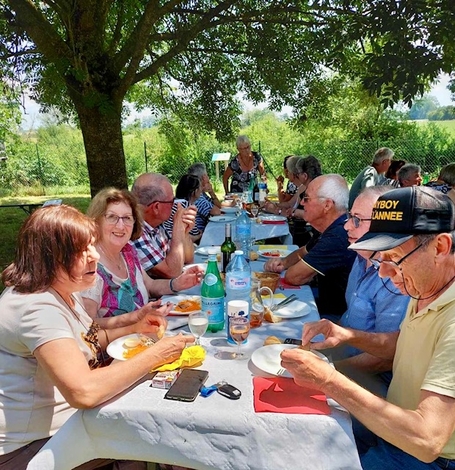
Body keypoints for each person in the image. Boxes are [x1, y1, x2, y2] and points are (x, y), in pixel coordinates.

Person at [0, 204, 194, 469]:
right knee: (166, 438)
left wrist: (134, 329)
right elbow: (84, 392)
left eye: (92, 245)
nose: (94, 256)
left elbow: (87, 339)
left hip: (69, 425)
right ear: (49, 256)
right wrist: (157, 354)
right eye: (82, 251)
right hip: (31, 449)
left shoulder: (61, 288)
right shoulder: (36, 306)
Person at [281, 186, 455, 469]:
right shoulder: (426, 287)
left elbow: (428, 440)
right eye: (381, 257)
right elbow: (406, 344)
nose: (384, 272)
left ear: (440, 247)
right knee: (294, 435)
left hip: (426, 457)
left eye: (394, 258)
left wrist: (328, 378)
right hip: (392, 421)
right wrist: (349, 335)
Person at [81, 188, 204, 328]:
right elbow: (88, 325)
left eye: (127, 218)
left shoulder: (127, 252)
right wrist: (136, 318)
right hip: (121, 346)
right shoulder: (90, 266)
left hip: (147, 333)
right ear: (96, 221)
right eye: (112, 217)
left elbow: (150, 285)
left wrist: (177, 283)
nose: (121, 226)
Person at [336, 186, 409, 396]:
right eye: (350, 216)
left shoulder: (396, 277)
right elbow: (349, 318)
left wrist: (332, 369)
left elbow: (386, 358)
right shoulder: (362, 256)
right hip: (346, 360)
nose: (347, 226)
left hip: (374, 384)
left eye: (357, 220)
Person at [264, 174, 356, 320]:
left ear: (327, 205)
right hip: (325, 303)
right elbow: (304, 251)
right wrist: (283, 262)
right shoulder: (333, 226)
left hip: (337, 317)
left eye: (306, 198)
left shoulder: (338, 236)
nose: (301, 202)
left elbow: (294, 277)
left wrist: (289, 268)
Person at [131, 172, 196, 278]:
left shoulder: (156, 225)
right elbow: (172, 272)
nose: (176, 205)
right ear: (156, 207)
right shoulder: (135, 232)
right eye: (172, 201)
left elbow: (188, 258)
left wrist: (184, 231)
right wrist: (178, 230)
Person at [187, 163, 222, 233]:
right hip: (198, 235)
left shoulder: (201, 193)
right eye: (207, 175)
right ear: (204, 177)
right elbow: (217, 212)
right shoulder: (196, 196)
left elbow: (219, 206)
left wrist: (211, 192)